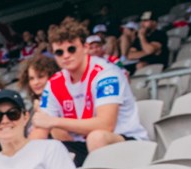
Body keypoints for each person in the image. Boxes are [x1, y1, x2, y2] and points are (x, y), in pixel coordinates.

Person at [31, 19, 147, 158]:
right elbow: (41, 129)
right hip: (83, 144)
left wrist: (55, 121)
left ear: (85, 48)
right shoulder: (54, 82)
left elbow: (105, 125)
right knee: (48, 149)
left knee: (96, 138)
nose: (66, 56)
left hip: (125, 140)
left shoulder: (106, 73)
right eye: (59, 52)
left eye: (71, 49)